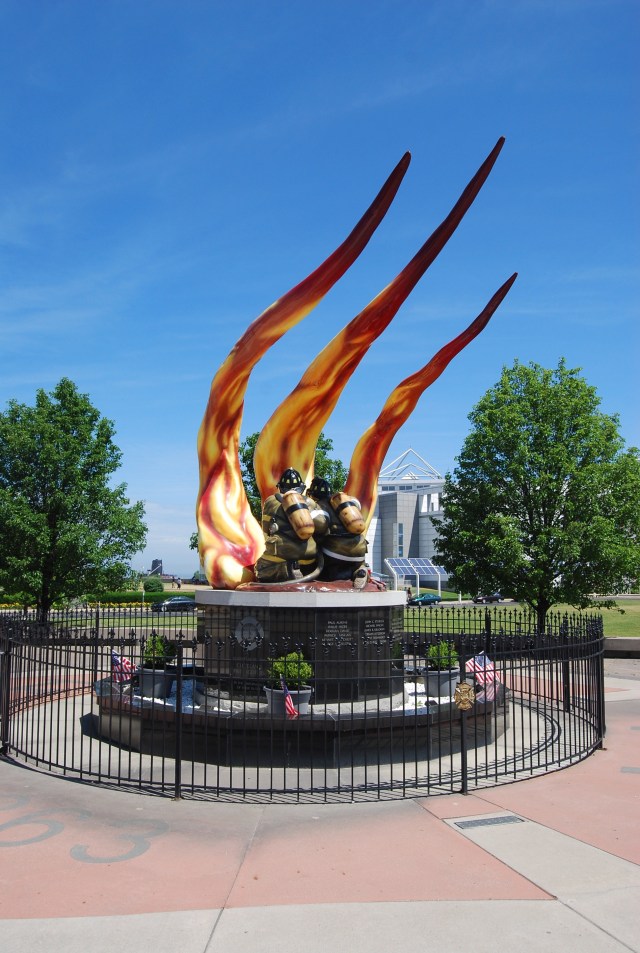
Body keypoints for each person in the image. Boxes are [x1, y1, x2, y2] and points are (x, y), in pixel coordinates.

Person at [254, 468, 321, 583]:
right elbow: (322, 527)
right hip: (309, 555)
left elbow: (266, 530)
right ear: (302, 487)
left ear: (280, 486)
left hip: (281, 553)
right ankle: (301, 569)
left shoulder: (271, 501)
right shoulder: (311, 503)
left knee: (260, 569)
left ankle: (288, 570)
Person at [307, 477, 368, 587]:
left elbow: (321, 525)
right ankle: (360, 570)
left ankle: (326, 575)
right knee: (355, 563)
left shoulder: (321, 506)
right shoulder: (345, 501)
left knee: (315, 549)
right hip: (360, 548)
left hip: (337, 551)